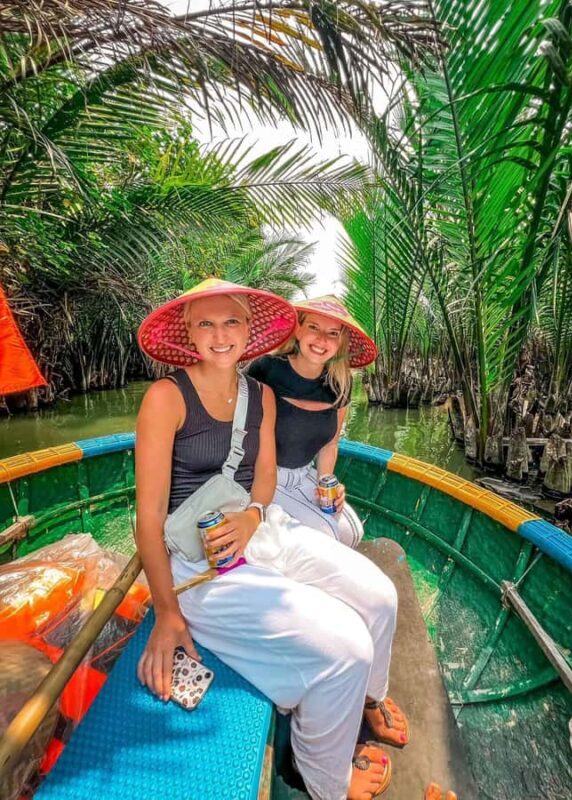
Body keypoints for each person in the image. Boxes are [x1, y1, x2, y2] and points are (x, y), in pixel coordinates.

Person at [134, 278, 407, 800]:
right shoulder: (165, 398)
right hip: (198, 561)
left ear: (249, 329)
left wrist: (255, 517)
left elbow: (263, 478)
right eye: (206, 324)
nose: (220, 335)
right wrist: (167, 613)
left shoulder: (259, 394)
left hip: (260, 529)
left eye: (232, 321)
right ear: (188, 333)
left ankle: (370, 700)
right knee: (346, 647)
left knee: (380, 597)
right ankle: (321, 779)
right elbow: (147, 523)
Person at [246, 295, 377, 549]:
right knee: (329, 536)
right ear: (297, 329)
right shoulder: (266, 369)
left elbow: (330, 444)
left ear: (340, 342)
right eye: (313, 328)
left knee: (353, 533)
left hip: (304, 474)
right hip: (261, 476)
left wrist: (327, 484)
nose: (322, 340)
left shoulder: (341, 383)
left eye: (332, 333)